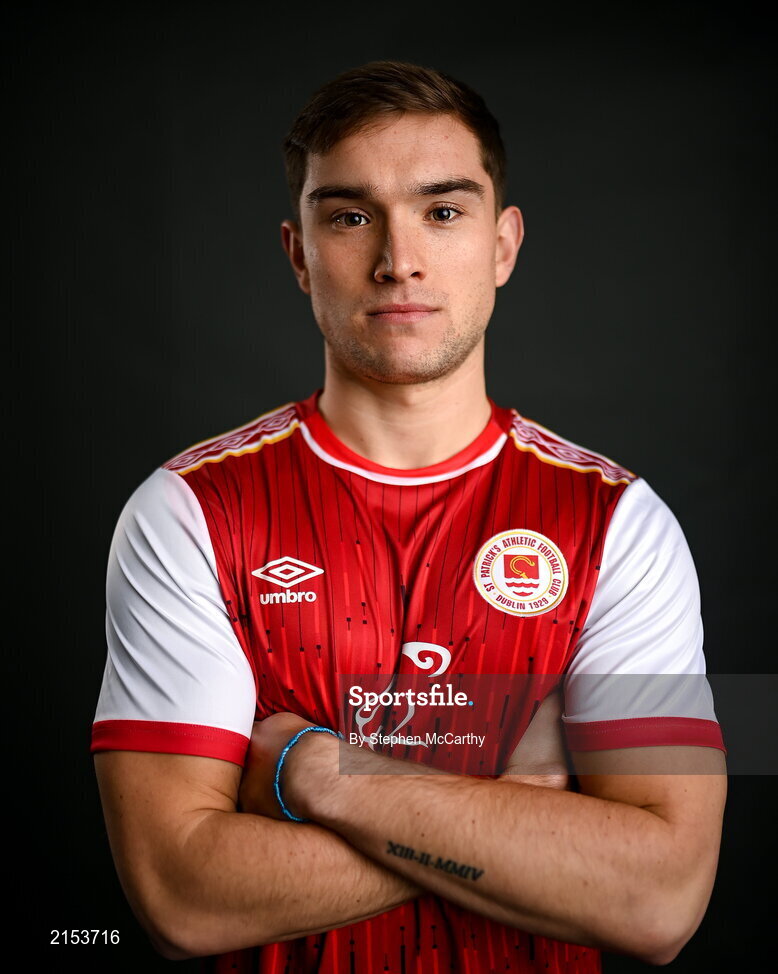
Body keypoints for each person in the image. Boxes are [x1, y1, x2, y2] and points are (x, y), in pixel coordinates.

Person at [92, 60, 727, 973]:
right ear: (298, 251)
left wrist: (312, 771)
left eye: (443, 210)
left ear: (504, 245)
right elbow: (181, 897)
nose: (399, 261)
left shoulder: (620, 524)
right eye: (350, 215)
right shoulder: (187, 513)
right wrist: (512, 807)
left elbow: (660, 898)